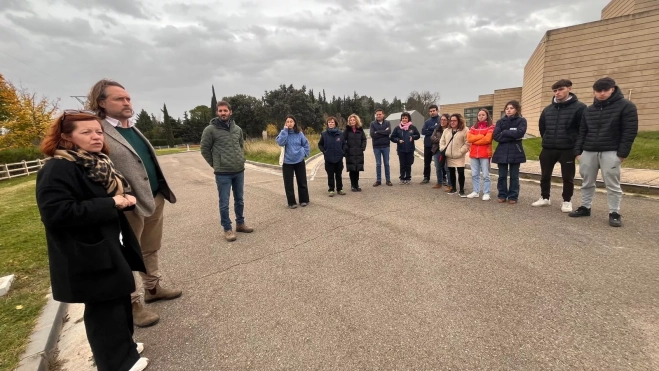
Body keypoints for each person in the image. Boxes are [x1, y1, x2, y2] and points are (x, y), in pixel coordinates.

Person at [36, 110, 150, 371]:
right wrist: (111, 202)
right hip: (87, 253)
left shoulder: (94, 162)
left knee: (120, 298)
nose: (96, 136)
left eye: (98, 131)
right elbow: (56, 213)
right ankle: (116, 363)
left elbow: (102, 197)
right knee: (103, 309)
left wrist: (124, 201)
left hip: (109, 245)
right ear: (66, 137)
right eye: (85, 132)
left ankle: (126, 348)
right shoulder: (58, 168)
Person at [87, 79, 181, 328]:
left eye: (128, 98)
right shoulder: (98, 132)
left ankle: (153, 289)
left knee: (150, 247)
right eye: (119, 99)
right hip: (126, 206)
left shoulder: (132, 128)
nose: (127, 102)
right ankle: (132, 304)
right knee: (126, 254)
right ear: (102, 103)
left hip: (153, 197)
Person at [570, 77, 638, 227]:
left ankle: (614, 212)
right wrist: (578, 152)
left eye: (605, 90)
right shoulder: (589, 110)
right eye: (598, 91)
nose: (601, 94)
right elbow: (582, 131)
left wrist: (622, 154)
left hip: (611, 151)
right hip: (588, 151)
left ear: (612, 89)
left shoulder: (626, 106)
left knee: (612, 184)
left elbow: (630, 132)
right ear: (594, 92)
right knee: (587, 182)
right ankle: (585, 207)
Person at [200, 100, 254, 240]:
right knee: (224, 202)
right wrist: (216, 164)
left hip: (238, 170)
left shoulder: (237, 129)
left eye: (225, 110)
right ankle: (227, 229)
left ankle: (240, 224)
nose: (223, 113)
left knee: (239, 200)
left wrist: (241, 159)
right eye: (220, 111)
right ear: (217, 112)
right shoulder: (210, 130)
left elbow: (241, 146)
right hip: (222, 173)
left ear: (230, 112)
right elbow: (205, 149)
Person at [532, 79, 587, 212]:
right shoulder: (548, 110)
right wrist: (547, 138)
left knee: (567, 177)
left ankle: (567, 201)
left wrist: (577, 147)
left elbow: (583, 129)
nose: (557, 93)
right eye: (555, 91)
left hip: (567, 149)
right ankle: (545, 197)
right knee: (545, 175)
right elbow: (542, 128)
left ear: (569, 88)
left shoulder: (580, 108)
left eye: (560, 89)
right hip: (548, 147)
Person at [492, 100, 527, 204]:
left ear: (516, 109)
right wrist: (512, 135)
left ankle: (513, 196)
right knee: (502, 175)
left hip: (515, 151)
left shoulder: (521, 121)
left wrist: (505, 132)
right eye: (507, 108)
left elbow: (520, 133)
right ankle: (502, 194)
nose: (508, 110)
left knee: (514, 176)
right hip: (502, 152)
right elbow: (496, 136)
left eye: (511, 108)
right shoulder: (500, 122)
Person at [276, 114, 310, 207]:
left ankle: (304, 200)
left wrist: (304, 153)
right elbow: (280, 142)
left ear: (294, 123)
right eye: (287, 122)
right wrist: (285, 131)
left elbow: (306, 144)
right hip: (287, 162)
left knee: (302, 181)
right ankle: (291, 202)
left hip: (299, 160)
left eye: (291, 121)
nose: (289, 123)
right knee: (288, 183)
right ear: (285, 123)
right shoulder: (283, 133)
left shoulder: (299, 133)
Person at [466, 109, 494, 200]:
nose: (481, 116)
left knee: (486, 174)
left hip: (485, 154)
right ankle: (476, 191)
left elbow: (488, 139)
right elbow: (469, 138)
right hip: (474, 154)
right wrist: (481, 136)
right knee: (474, 174)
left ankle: (486, 193)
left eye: (483, 115)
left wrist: (475, 140)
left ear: (487, 116)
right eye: (479, 115)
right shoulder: (473, 127)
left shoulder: (491, 126)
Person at [439, 113, 470, 196]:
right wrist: (443, 149)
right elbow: (442, 141)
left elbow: (467, 142)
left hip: (459, 155)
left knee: (461, 172)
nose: (452, 122)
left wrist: (461, 151)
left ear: (459, 121)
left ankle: (462, 189)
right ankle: (453, 188)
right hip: (449, 155)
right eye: (451, 120)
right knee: (451, 172)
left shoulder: (465, 130)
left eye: (454, 120)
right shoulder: (446, 130)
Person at [390, 112, 421, 184]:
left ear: (408, 119)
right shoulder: (397, 128)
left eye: (406, 118)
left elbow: (418, 135)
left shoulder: (412, 127)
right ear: (401, 119)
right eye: (403, 118)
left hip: (410, 149)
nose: (404, 119)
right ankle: (402, 178)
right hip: (401, 149)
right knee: (402, 164)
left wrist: (413, 137)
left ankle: (408, 178)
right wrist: (398, 140)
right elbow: (392, 137)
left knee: (408, 164)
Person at [318, 116, 346, 197]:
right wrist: (324, 151)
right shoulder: (324, 134)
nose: (331, 123)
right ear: (327, 124)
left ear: (335, 123)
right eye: (329, 122)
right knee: (330, 175)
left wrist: (342, 152)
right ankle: (331, 189)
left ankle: (340, 189)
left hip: (338, 158)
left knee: (338, 174)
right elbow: (320, 144)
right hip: (328, 158)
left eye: (332, 122)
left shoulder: (340, 134)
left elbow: (344, 144)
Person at [344, 114, 367, 191]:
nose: (352, 121)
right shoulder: (347, 130)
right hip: (350, 153)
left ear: (356, 120)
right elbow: (343, 141)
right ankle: (353, 185)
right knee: (352, 170)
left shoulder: (360, 129)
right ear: (349, 121)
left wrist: (362, 147)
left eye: (353, 120)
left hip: (358, 152)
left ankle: (357, 185)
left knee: (357, 170)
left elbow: (364, 139)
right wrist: (346, 148)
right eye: (351, 120)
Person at [370, 109, 393, 186]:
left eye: (380, 114)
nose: (378, 116)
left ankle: (388, 180)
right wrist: (383, 132)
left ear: (383, 115)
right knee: (378, 164)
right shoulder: (372, 124)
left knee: (386, 163)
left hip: (386, 146)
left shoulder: (387, 123)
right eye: (377, 114)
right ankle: (378, 180)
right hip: (376, 147)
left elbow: (388, 132)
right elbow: (372, 135)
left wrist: (378, 132)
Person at [421, 104, 440, 184]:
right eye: (430, 111)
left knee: (439, 163)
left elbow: (440, 129)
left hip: (438, 145)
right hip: (428, 145)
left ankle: (443, 178)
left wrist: (430, 129)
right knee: (427, 162)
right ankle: (426, 177)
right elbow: (423, 131)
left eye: (433, 111)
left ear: (437, 111)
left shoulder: (441, 120)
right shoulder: (427, 122)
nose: (432, 112)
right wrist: (434, 128)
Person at [429, 114, 447, 188]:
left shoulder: (449, 130)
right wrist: (441, 140)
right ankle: (439, 182)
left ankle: (450, 184)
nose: (442, 121)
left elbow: (449, 140)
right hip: (437, 150)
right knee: (438, 167)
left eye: (444, 120)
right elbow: (432, 138)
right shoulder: (437, 129)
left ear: (448, 121)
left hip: (446, 151)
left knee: (447, 168)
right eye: (441, 119)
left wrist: (440, 141)